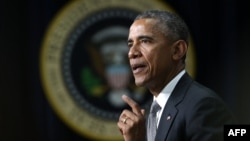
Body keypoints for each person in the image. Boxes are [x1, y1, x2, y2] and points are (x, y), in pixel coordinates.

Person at [117, 10, 236, 141]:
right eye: (130, 44)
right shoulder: (155, 109)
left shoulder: (204, 106)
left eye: (145, 41)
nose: (131, 53)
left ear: (177, 50)